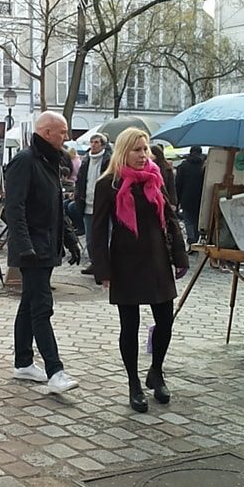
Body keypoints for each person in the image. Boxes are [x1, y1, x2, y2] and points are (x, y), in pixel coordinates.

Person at [92, 128, 188, 413]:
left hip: (158, 260)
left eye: (145, 149)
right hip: (126, 262)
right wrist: (102, 269)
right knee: (129, 325)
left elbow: (170, 219)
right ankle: (133, 382)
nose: (143, 155)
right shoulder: (108, 184)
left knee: (165, 321)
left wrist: (180, 256)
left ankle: (156, 371)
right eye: (137, 150)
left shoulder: (156, 179)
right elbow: (97, 230)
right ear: (124, 151)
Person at [4, 111, 81, 394]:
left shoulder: (49, 162)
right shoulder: (25, 161)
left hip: (46, 246)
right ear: (47, 132)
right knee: (41, 307)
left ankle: (23, 362)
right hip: (33, 249)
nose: (66, 137)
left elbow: (55, 207)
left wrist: (70, 239)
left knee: (29, 304)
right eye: (62, 132)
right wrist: (25, 247)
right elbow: (14, 208)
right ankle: (55, 370)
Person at [71, 132, 112, 275]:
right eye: (92, 142)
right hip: (87, 203)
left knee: (105, 236)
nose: (93, 145)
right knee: (90, 238)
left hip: (103, 205)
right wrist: (78, 195)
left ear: (103, 145)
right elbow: (80, 180)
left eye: (96, 142)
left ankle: (106, 265)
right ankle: (94, 263)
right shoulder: (86, 160)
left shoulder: (108, 160)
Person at [175, 145, 205, 251]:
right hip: (201, 198)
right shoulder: (204, 166)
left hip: (186, 197)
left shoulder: (183, 166)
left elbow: (178, 184)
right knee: (197, 219)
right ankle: (196, 239)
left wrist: (177, 201)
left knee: (188, 220)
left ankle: (191, 240)